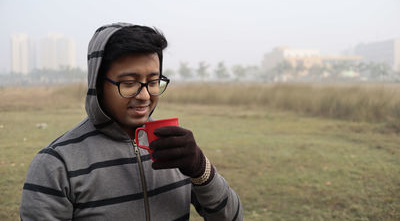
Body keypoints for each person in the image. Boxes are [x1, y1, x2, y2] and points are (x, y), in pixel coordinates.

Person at [20, 23, 243, 221]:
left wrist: (200, 169)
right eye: (128, 83)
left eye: (153, 81)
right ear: (97, 84)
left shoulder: (173, 147)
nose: (145, 95)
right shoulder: (56, 164)